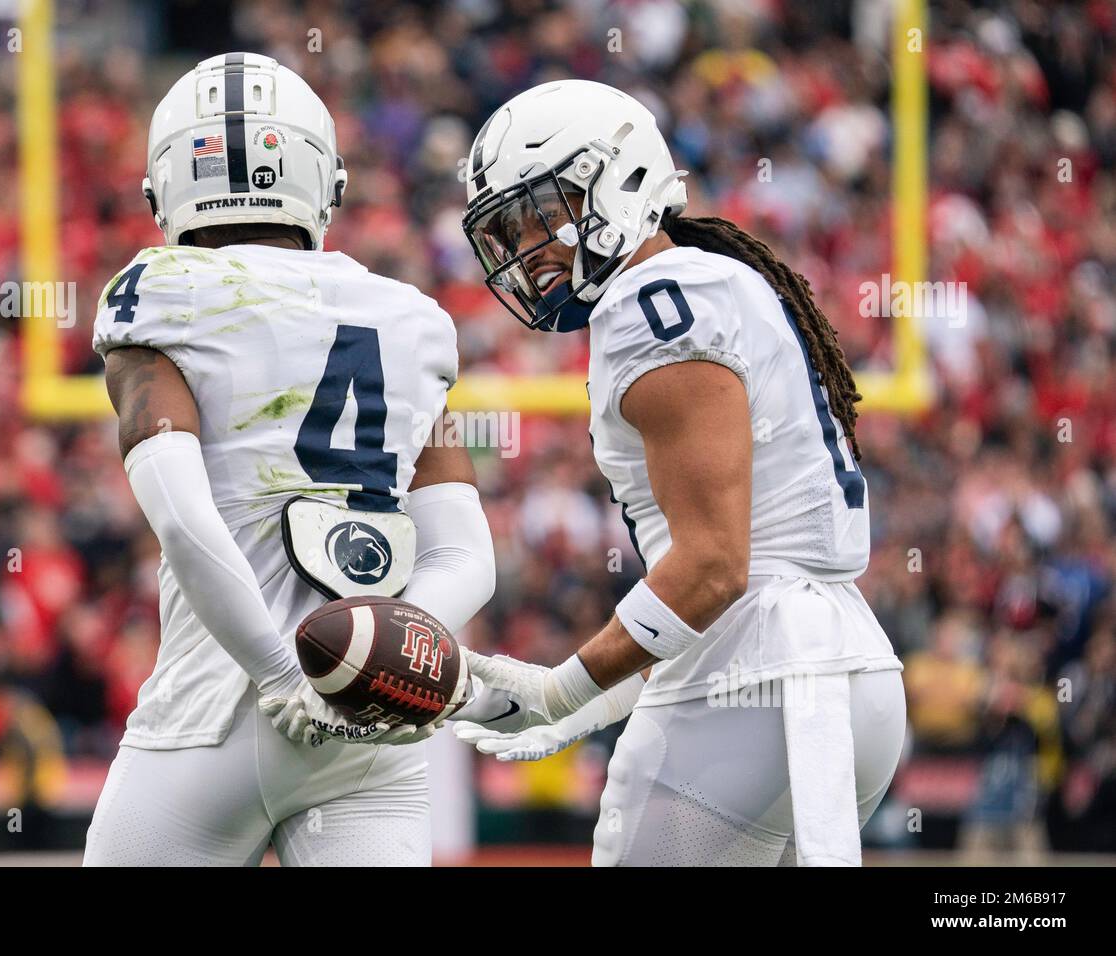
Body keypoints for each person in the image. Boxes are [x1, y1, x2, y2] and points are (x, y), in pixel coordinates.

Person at [453, 80, 907, 866]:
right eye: (512, 228)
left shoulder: (655, 300)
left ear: (618, 180)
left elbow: (715, 569)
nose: (532, 247)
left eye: (543, 212)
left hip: (756, 688)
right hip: (837, 671)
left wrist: (563, 689)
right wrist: (592, 702)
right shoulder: (709, 283)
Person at [82, 53, 497, 866]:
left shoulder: (156, 293)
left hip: (215, 711)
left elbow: (183, 518)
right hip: (368, 731)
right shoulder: (409, 318)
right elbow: (465, 554)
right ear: (322, 181)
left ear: (166, 185)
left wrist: (284, 676)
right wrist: (384, 654)